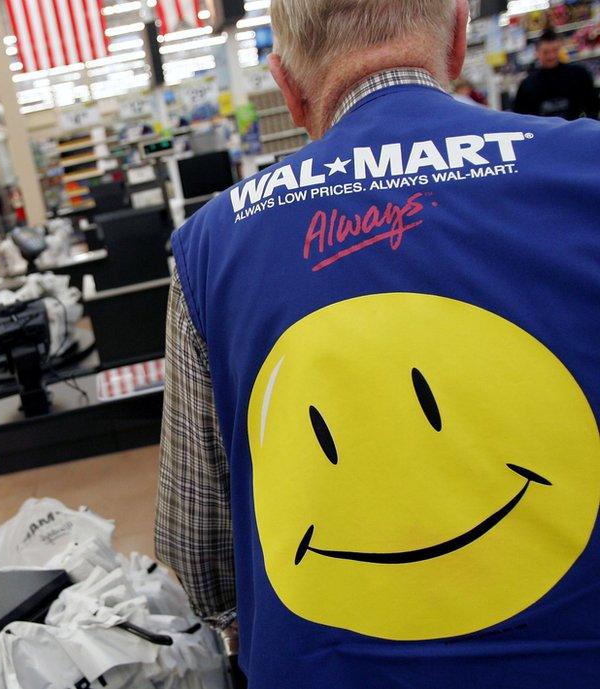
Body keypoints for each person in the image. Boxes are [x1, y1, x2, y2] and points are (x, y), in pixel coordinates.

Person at [156, 1, 600, 688]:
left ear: (288, 86)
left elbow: (199, 557)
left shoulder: (211, 248)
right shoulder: (587, 172)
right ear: (457, 38)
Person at [513, 28, 599, 120]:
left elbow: (592, 105)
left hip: (576, 131)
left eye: (555, 50)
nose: (551, 56)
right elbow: (520, 117)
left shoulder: (579, 75)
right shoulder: (527, 85)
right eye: (546, 52)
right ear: (537, 53)